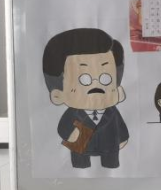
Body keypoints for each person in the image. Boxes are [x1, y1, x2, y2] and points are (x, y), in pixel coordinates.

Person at [42, 28, 129, 169]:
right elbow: (63, 127)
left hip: (109, 146)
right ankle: (80, 167)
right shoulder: (74, 113)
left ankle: (110, 164)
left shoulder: (112, 111)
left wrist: (122, 138)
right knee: (80, 166)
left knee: (111, 164)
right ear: (58, 95)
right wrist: (70, 135)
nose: (96, 84)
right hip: (80, 145)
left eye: (106, 78)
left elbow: (120, 126)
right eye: (84, 79)